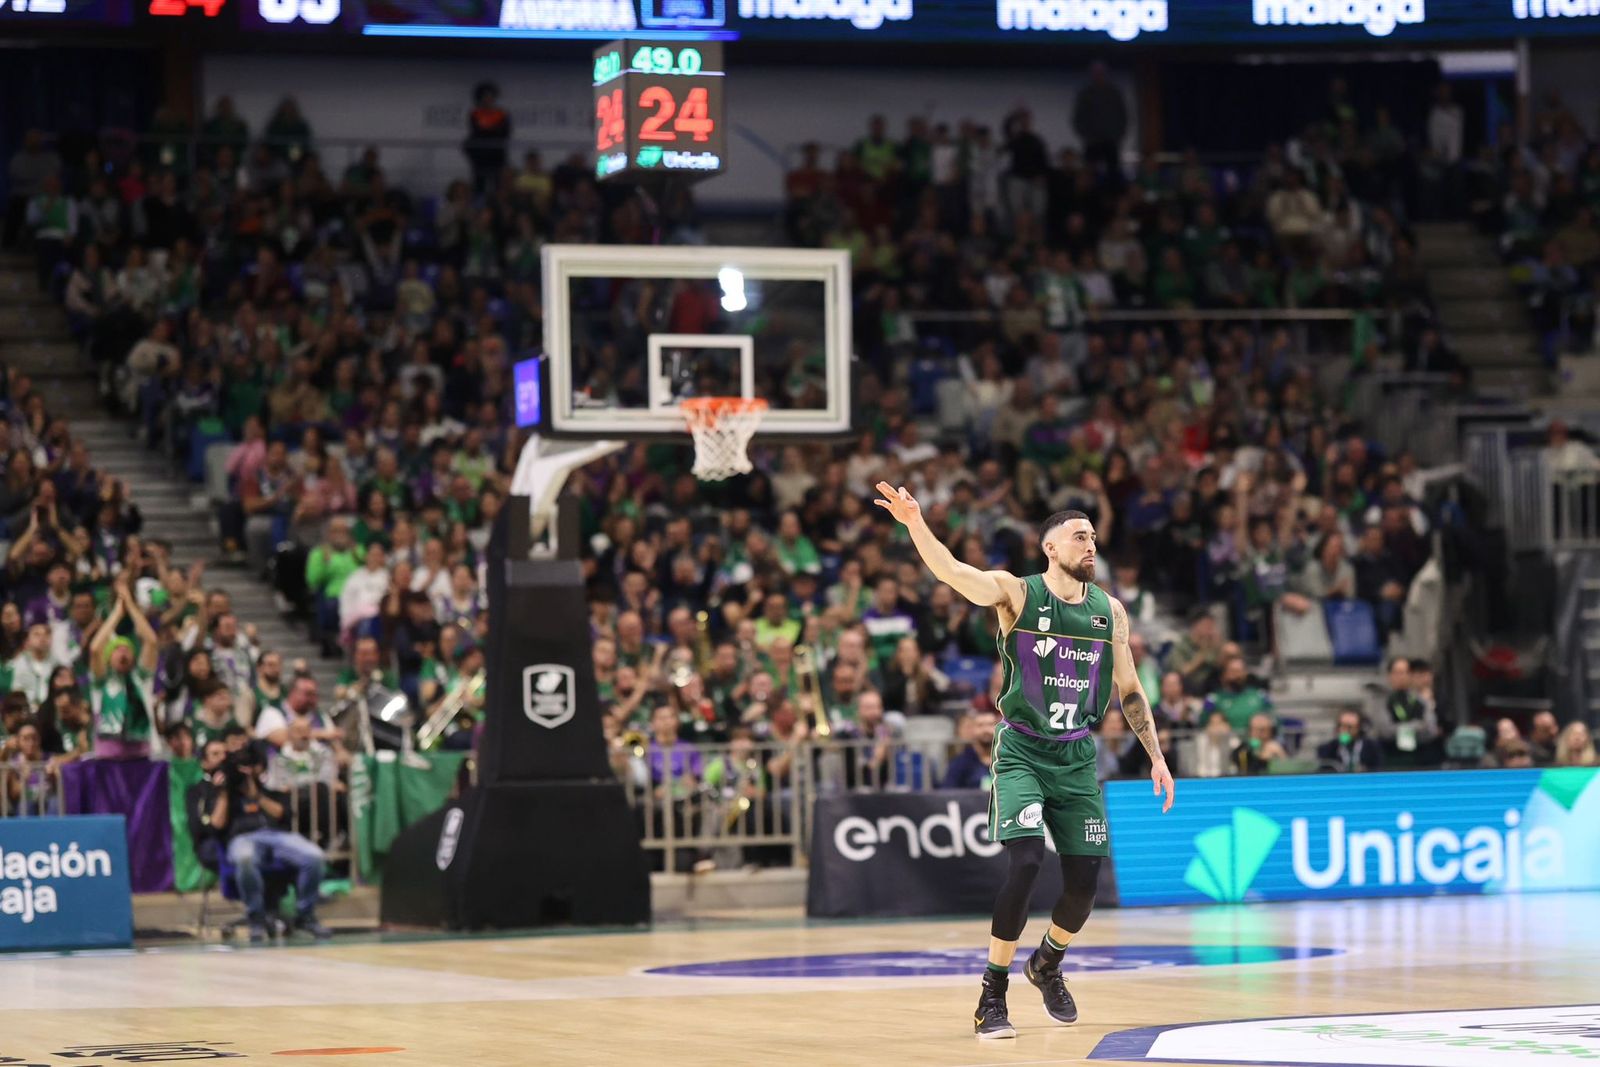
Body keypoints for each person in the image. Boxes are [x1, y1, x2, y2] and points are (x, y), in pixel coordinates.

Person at [874, 483, 1173, 1040]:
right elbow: (952, 573)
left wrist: (1156, 755)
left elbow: (1129, 691)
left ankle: (1047, 964)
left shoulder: (1110, 611)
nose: (1090, 544)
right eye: (1078, 536)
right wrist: (916, 522)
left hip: (1078, 756)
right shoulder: (1018, 592)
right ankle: (993, 991)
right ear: (1050, 549)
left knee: (1084, 882)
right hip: (1023, 753)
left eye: (1092, 536)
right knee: (1028, 861)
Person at [193, 735, 331, 941]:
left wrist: (255, 792)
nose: (224, 759)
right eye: (216, 755)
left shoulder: (261, 783)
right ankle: (256, 918)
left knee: (314, 856)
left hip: (274, 836)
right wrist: (224, 793)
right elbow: (216, 825)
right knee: (245, 858)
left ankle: (305, 915)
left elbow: (282, 814)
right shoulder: (207, 790)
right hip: (240, 838)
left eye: (225, 754)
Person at [88, 578, 160, 760]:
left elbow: (151, 641)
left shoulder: (141, 678)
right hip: (108, 755)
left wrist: (130, 605)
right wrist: (117, 613)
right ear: (109, 657)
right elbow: (95, 649)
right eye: (117, 649)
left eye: (127, 649)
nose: (123, 652)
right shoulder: (101, 682)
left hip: (140, 753)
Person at [943, 709, 998, 789]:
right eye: (980, 725)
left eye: (990, 725)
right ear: (972, 730)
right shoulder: (959, 764)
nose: (986, 730)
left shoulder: (1008, 760)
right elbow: (947, 794)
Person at [1316, 709, 1382, 773]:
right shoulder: (1328, 749)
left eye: (1349, 727)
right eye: (1340, 726)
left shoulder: (1372, 747)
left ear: (1359, 729)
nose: (1343, 730)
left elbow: (1378, 769)